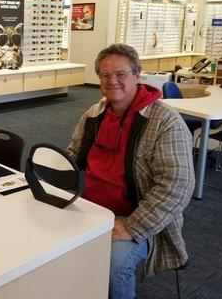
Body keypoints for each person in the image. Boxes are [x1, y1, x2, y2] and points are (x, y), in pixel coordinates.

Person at [67, 44, 194, 299]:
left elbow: (177, 186)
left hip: (134, 218)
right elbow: (72, 155)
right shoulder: (94, 113)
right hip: (87, 207)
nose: (112, 81)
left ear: (137, 76)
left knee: (115, 266)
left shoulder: (165, 121)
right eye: (105, 75)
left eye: (121, 74)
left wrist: (132, 227)